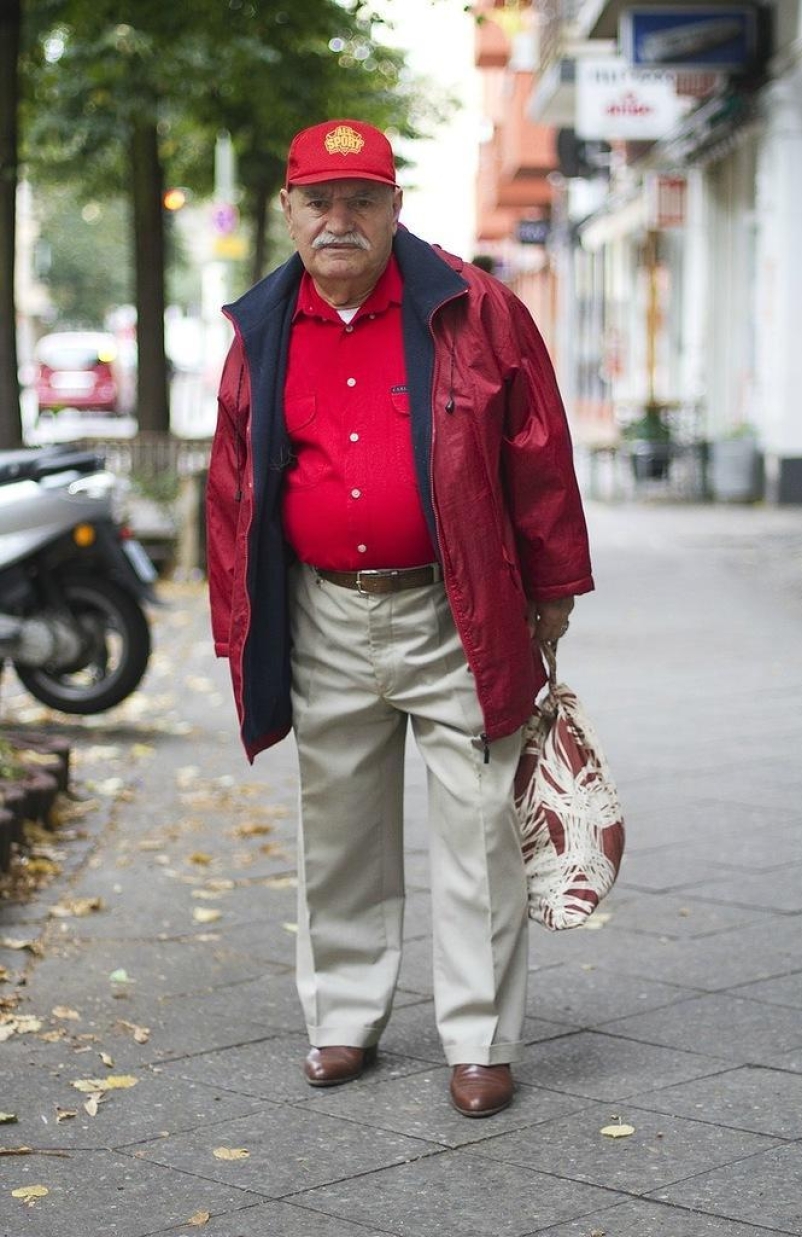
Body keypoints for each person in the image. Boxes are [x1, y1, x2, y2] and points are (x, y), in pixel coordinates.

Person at [206, 118, 594, 1118]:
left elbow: (537, 453)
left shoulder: (474, 308)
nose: (341, 219)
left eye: (362, 198)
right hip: (324, 613)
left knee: (477, 831)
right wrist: (238, 622)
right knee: (337, 831)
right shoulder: (261, 330)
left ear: (394, 207)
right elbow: (233, 483)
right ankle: (343, 1016)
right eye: (320, 200)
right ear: (287, 210)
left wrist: (551, 594)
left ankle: (479, 1038)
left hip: (454, 606)